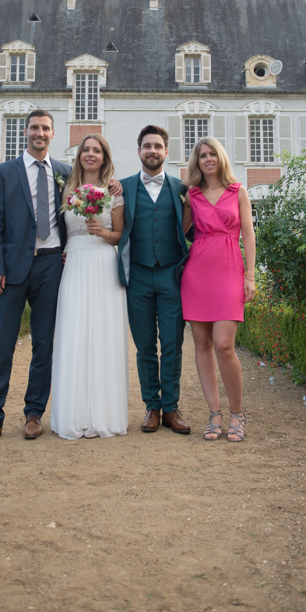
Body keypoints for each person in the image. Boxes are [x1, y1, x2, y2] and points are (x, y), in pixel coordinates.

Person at [0, 111, 122, 445]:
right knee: (2, 343)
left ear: (53, 133)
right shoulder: (4, 172)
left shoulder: (65, 174)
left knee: (45, 343)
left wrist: (117, 184)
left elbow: (95, 194)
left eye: (45, 128)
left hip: (52, 266)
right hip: (11, 269)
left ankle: (33, 414)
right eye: (34, 127)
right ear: (26, 131)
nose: (40, 132)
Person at [50, 134, 128, 439]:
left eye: (96, 150)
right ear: (79, 155)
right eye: (86, 150)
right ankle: (74, 412)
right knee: (73, 332)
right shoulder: (66, 189)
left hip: (102, 263)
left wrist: (103, 233)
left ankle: (103, 414)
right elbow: (59, 230)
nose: (90, 154)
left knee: (102, 333)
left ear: (104, 157)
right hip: (75, 264)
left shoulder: (113, 191)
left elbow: (120, 234)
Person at [180, 137, 256, 443]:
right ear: (197, 162)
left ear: (220, 157)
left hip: (229, 271)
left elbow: (248, 235)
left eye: (212, 154)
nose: (208, 159)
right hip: (196, 273)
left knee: (224, 345)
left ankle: (237, 413)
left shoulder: (238, 191)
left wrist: (250, 276)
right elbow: (179, 232)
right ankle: (214, 414)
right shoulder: (192, 195)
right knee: (201, 344)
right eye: (202, 155)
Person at [118, 125, 191, 434]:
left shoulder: (181, 188)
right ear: (139, 151)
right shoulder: (122, 187)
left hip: (171, 275)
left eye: (158, 146)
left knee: (173, 343)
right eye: (147, 146)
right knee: (145, 345)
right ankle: (152, 406)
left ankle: (171, 408)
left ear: (166, 151)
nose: (152, 150)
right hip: (137, 276)